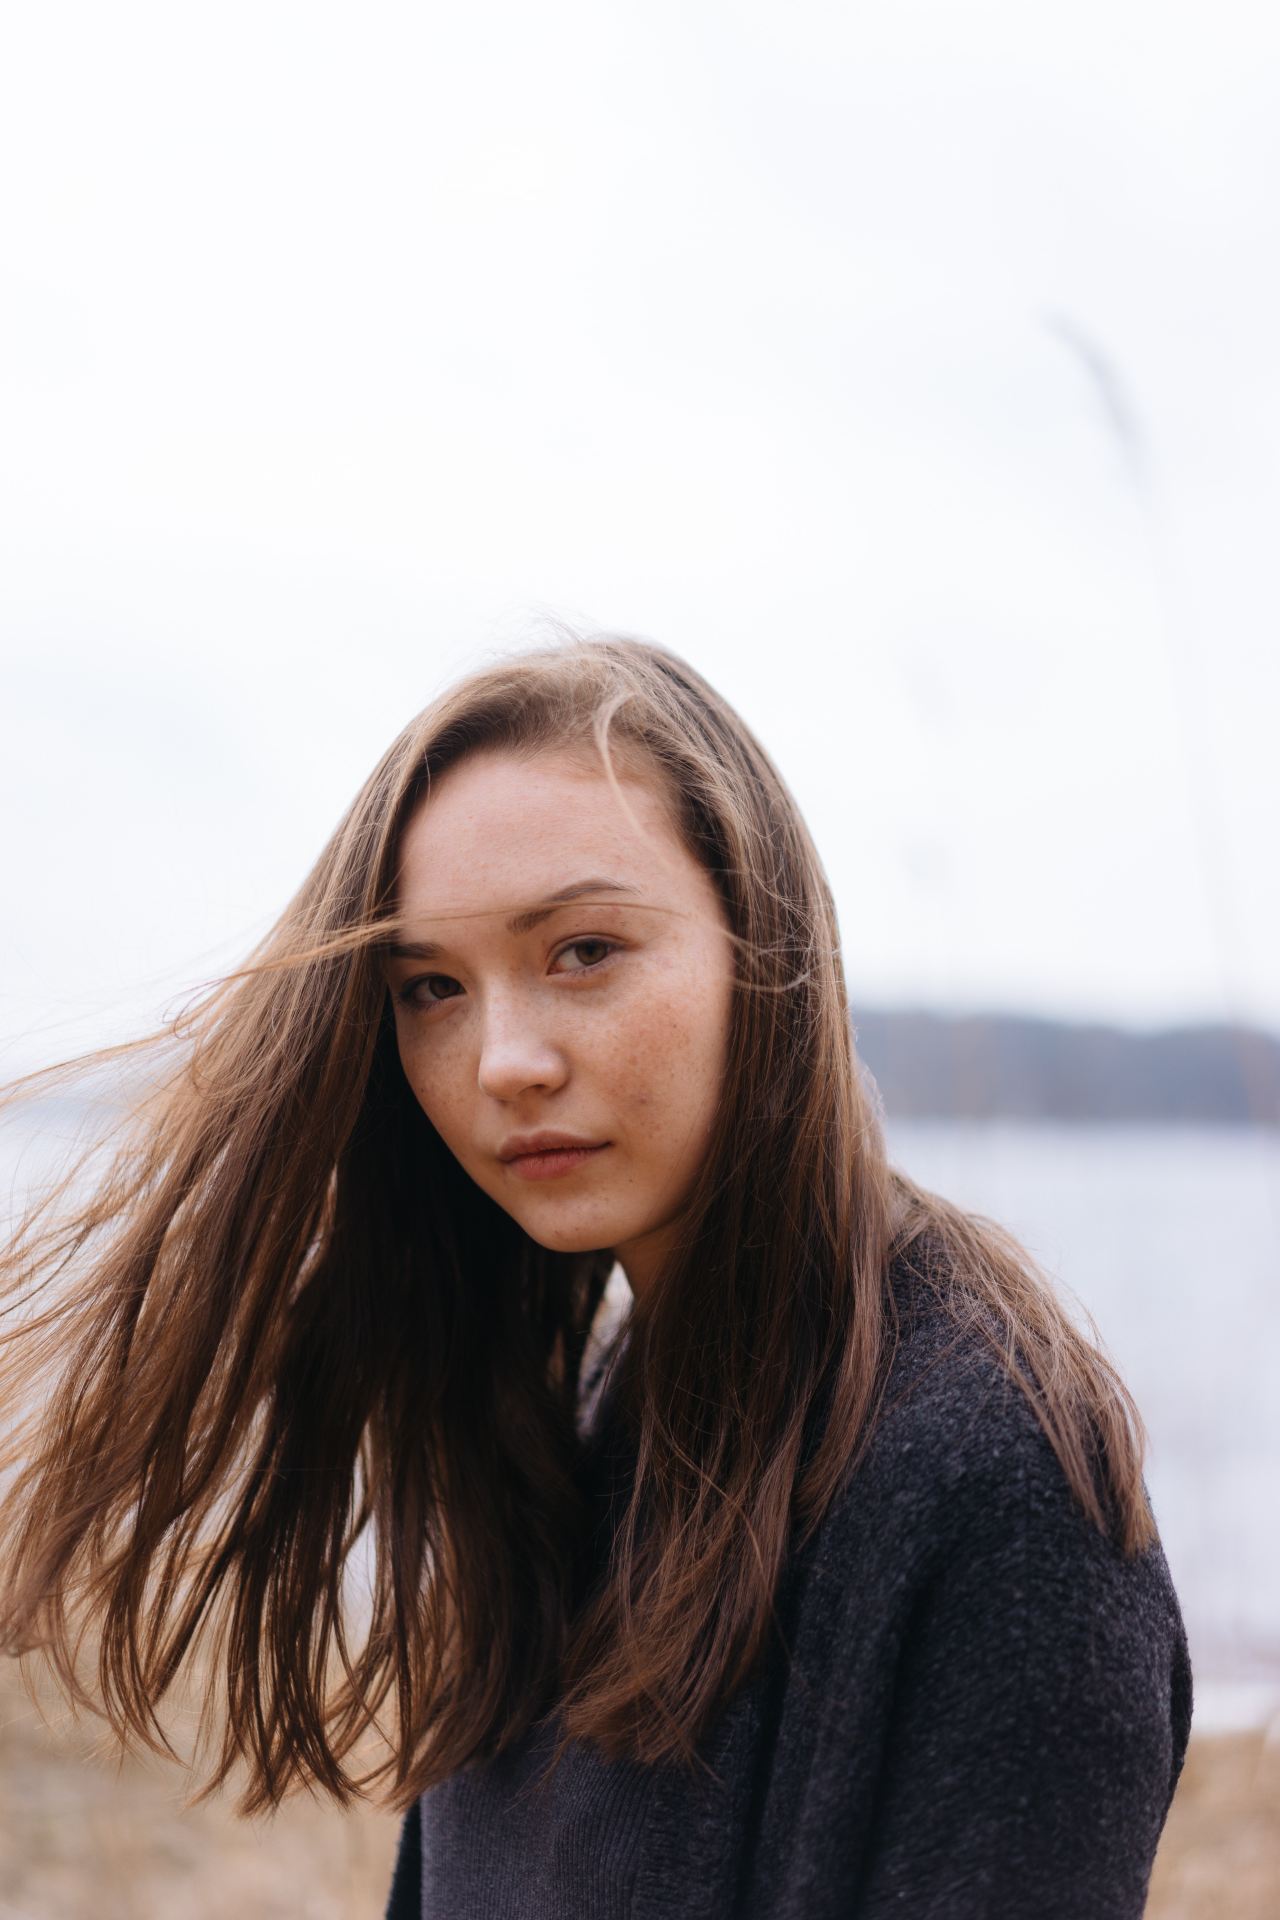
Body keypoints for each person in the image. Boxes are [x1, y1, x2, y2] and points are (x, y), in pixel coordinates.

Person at [0, 631, 1192, 1917]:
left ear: (763, 945)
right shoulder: (601, 1406)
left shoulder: (992, 1483)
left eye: (581, 951)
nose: (502, 1060)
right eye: (432, 987)